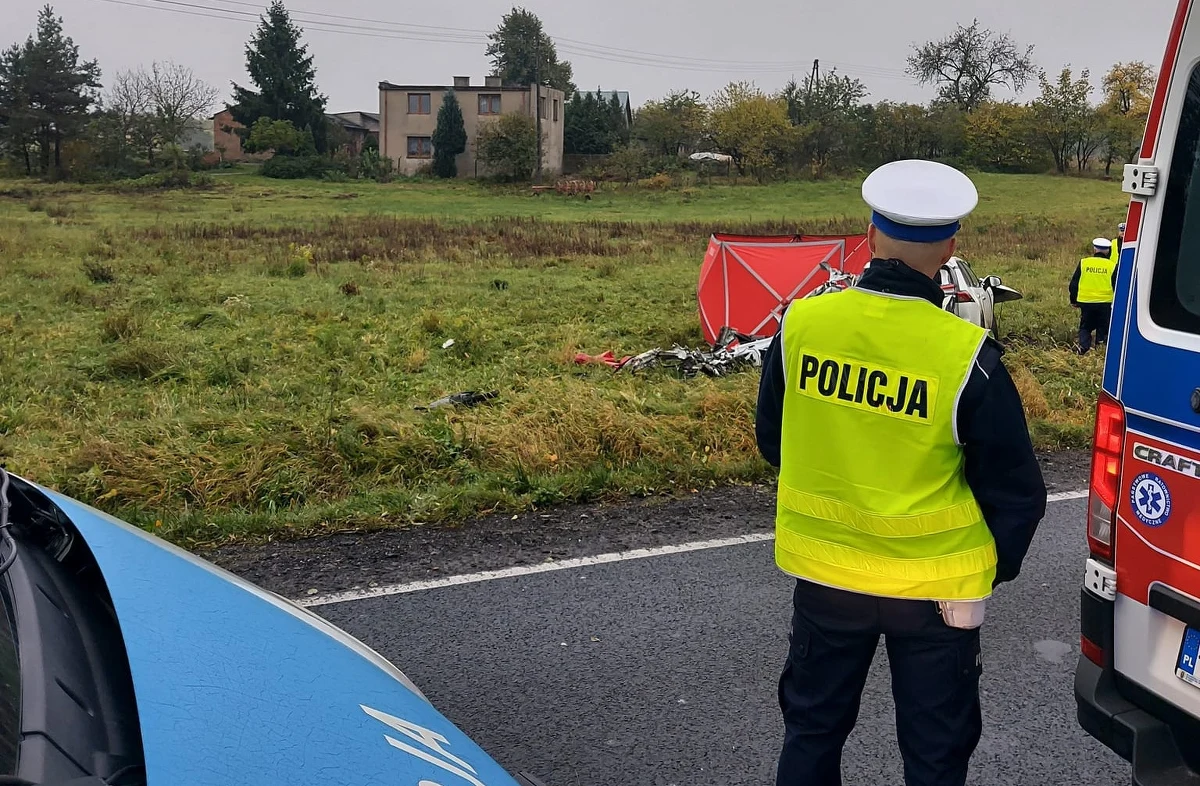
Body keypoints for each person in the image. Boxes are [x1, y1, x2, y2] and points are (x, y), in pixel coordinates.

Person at [755, 159, 1048, 786]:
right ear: (949, 247)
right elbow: (1018, 493)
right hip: (939, 597)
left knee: (811, 734)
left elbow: (774, 443)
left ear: (868, 234)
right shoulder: (968, 357)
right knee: (935, 756)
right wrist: (986, 571)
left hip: (827, 577)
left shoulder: (800, 326)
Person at [1069, 238, 1118, 354]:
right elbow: (1116, 285)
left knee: (1085, 327)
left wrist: (1073, 300)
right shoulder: (1112, 265)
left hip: (1086, 302)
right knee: (1103, 328)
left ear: (1095, 249)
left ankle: (1083, 348)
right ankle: (1100, 350)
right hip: (1105, 303)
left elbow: (1074, 284)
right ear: (1108, 251)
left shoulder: (1084, 262)